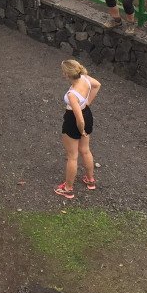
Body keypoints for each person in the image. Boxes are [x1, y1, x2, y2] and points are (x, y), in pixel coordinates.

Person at [56, 59, 102, 198]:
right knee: (85, 151)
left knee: (72, 156)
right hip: (88, 114)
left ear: (66, 74)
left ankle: (68, 188)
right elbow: (97, 85)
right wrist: (88, 102)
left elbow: (79, 118)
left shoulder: (72, 95)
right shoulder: (85, 78)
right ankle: (90, 180)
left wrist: (81, 130)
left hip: (74, 121)